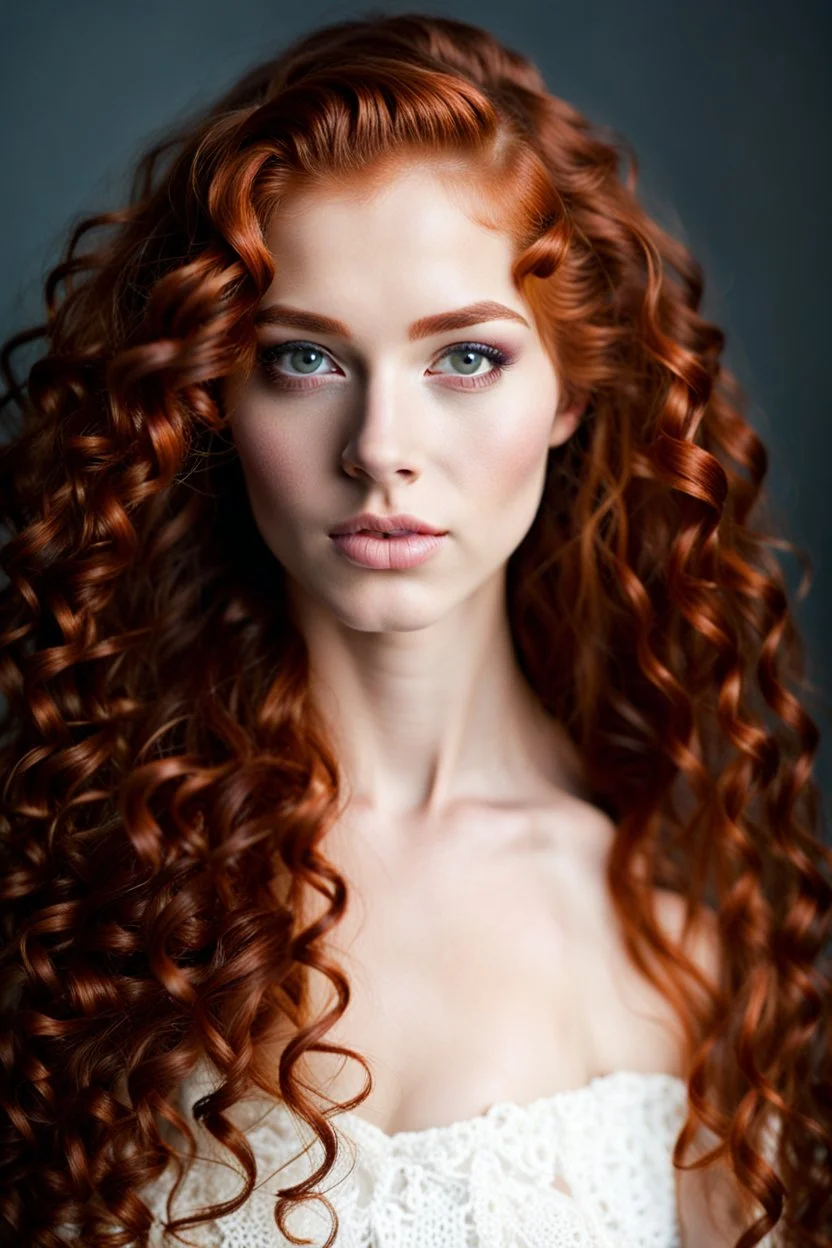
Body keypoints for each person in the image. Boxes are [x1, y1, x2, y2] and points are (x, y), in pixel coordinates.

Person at [0, 11, 828, 1248]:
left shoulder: (677, 957)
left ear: (568, 390)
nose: (381, 449)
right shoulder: (83, 901)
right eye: (306, 361)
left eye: (466, 360)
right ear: (217, 395)